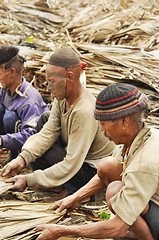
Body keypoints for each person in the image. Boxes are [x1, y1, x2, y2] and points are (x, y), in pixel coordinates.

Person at [33, 83, 159, 240]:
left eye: (104, 123)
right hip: (152, 199)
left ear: (124, 122)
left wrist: (62, 230)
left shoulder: (143, 163)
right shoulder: (137, 138)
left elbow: (117, 228)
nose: (102, 130)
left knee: (115, 191)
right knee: (107, 165)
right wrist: (75, 198)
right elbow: (106, 173)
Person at [1, 46, 115, 197]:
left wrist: (30, 179)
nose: (48, 87)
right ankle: (57, 183)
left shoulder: (84, 111)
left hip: (89, 171)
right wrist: (23, 158)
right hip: (74, 159)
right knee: (43, 121)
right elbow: (48, 132)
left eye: (52, 81)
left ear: (69, 77)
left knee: (46, 150)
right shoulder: (63, 99)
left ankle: (74, 190)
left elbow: (71, 163)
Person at [0, 46, 49, 161]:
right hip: (14, 134)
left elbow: (31, 134)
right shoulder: (5, 91)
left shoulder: (29, 99)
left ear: (12, 72)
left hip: (34, 144)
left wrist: (2, 140)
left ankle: (17, 157)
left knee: (9, 118)